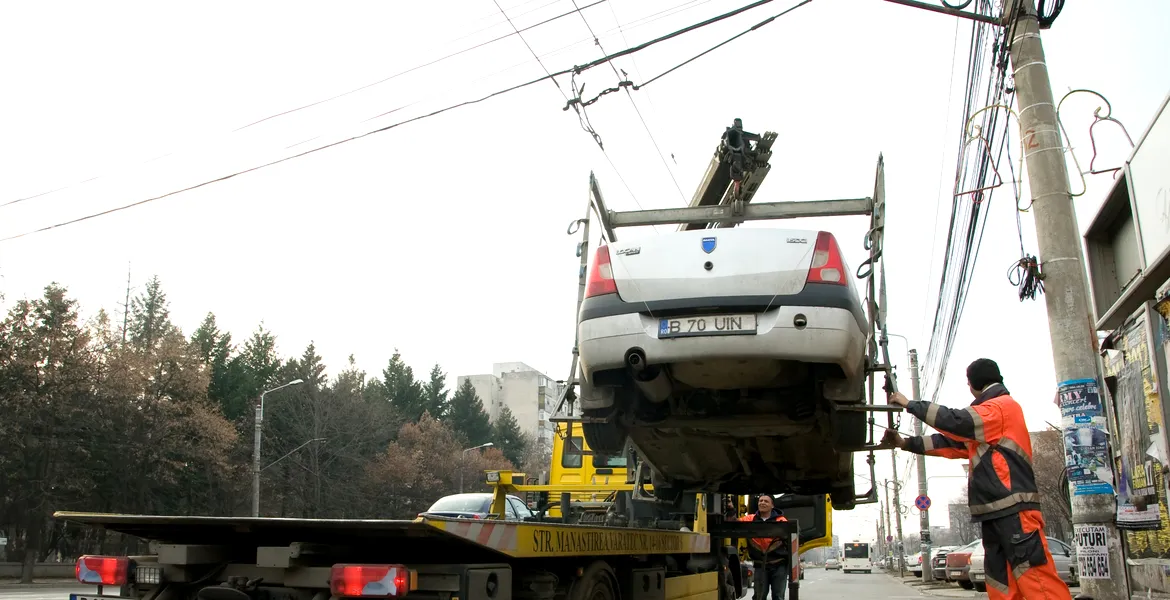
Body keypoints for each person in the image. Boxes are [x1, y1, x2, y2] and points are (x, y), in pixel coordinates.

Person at [883, 358, 1072, 600]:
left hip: (1013, 509)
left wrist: (910, 404)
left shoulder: (1000, 408)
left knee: (1036, 580)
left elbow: (956, 422)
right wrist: (905, 443)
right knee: (1001, 583)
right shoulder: (992, 419)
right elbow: (951, 443)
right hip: (998, 511)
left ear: (972, 384)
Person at [740, 494, 790, 600]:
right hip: (760, 565)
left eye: (766, 501)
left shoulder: (781, 521)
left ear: (772, 506)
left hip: (778, 565)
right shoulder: (750, 519)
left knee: (778, 596)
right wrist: (730, 510)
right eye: (760, 501)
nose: (762, 503)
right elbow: (734, 523)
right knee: (759, 596)